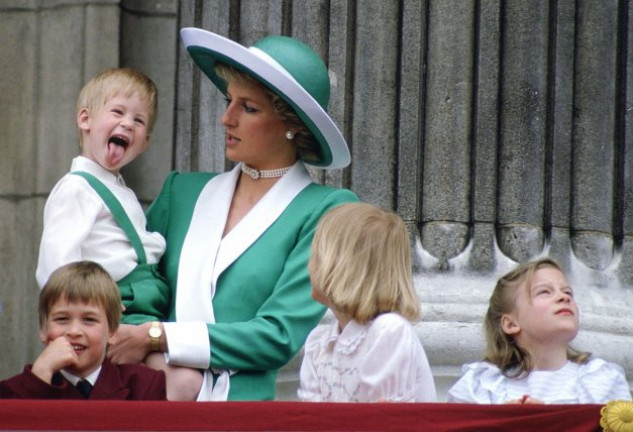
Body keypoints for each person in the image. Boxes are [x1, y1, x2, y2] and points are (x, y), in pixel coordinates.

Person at [107, 27, 359, 401]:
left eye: (248, 107)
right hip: (150, 398)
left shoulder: (326, 210)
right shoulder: (182, 191)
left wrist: (158, 338)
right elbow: (135, 291)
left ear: (292, 124)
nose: (226, 118)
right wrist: (151, 355)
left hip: (244, 413)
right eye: (229, 100)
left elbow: (278, 335)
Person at [34, 67, 202, 401]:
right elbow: (55, 268)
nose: (128, 123)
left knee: (184, 380)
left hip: (145, 313)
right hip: (117, 313)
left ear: (146, 142)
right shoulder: (76, 188)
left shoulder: (119, 189)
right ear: (86, 119)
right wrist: (80, 325)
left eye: (139, 121)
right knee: (183, 383)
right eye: (118, 112)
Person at [297, 202, 437, 403]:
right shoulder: (319, 344)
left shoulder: (388, 331)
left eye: (316, 255)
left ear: (342, 267)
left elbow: (383, 421)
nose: (308, 264)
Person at [448, 257, 632, 404]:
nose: (563, 297)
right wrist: (500, 420)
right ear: (511, 324)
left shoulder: (600, 380)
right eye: (544, 292)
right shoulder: (481, 385)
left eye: (568, 292)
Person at [0, 261, 166, 400]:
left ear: (112, 332)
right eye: (62, 319)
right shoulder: (11, 392)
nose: (74, 331)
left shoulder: (144, 386)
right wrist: (40, 375)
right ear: (43, 330)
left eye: (89, 320)